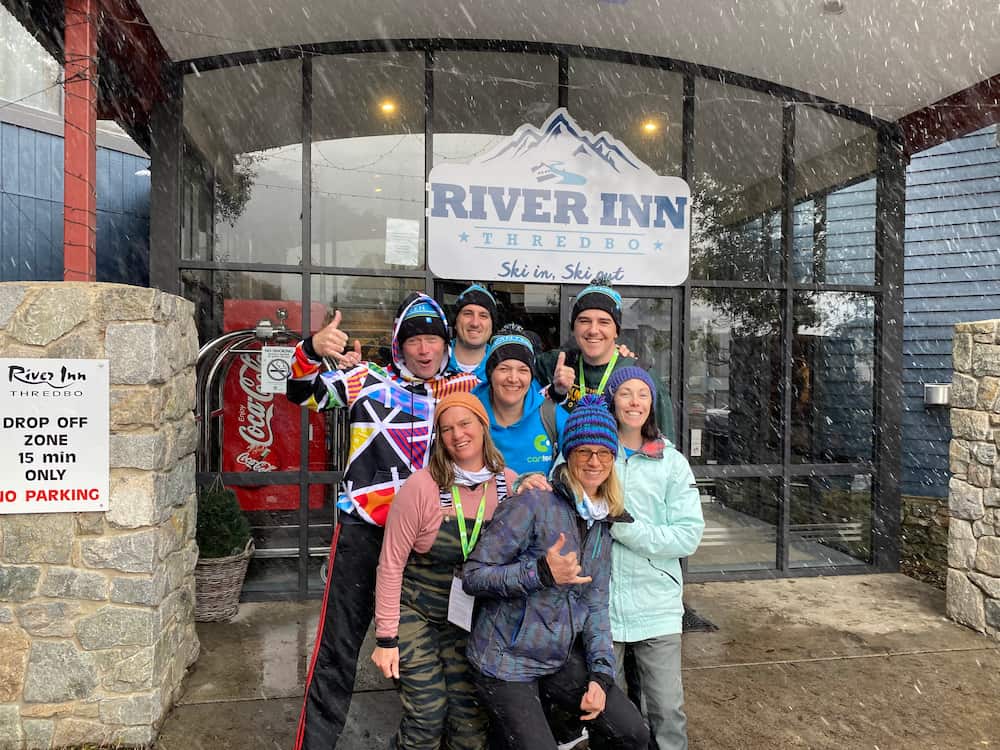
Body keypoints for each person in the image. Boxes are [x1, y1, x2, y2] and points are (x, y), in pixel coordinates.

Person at [286, 292, 481, 750]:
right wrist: (312, 350)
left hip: (428, 540)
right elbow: (299, 394)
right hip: (363, 532)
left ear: (446, 344)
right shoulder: (364, 379)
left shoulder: (464, 390)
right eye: (415, 341)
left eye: (434, 339)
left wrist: (567, 383)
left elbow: (522, 392)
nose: (425, 349)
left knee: (441, 649)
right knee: (338, 650)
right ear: (398, 344)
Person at [462, 395, 650, 750]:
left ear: (613, 459)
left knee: (632, 732)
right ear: (569, 455)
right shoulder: (534, 503)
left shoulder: (602, 520)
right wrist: (541, 573)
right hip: (504, 661)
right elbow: (474, 576)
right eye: (584, 452)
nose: (595, 462)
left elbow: (596, 605)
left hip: (556, 659)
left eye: (604, 453)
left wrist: (600, 675)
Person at [373, 392, 518, 750]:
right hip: (415, 615)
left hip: (469, 622)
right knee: (427, 713)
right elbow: (390, 564)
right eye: (447, 428)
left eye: (465, 423)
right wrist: (386, 639)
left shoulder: (508, 485)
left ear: (483, 426)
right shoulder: (421, 487)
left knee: (470, 724)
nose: (457, 435)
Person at [604, 367, 704, 750]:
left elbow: (687, 535)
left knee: (666, 710)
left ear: (652, 403)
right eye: (625, 393)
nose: (634, 402)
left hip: (657, 602)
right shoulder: (592, 452)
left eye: (642, 394)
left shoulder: (671, 462)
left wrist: (625, 529)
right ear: (612, 400)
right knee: (608, 712)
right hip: (603, 604)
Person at [534, 273, 674, 442]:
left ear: (616, 331)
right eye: (584, 321)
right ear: (574, 328)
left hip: (622, 467)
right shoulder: (553, 365)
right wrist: (554, 392)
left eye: (604, 322)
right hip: (565, 466)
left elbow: (665, 446)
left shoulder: (640, 374)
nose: (593, 330)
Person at [473, 323, 569, 476]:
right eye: (504, 369)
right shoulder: (469, 414)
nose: (513, 378)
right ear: (490, 374)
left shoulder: (550, 415)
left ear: (531, 376)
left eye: (523, 370)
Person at [448, 283, 499, 382]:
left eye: (483, 316)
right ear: (455, 322)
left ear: (492, 325)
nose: (475, 323)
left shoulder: (502, 365)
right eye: (468, 314)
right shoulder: (434, 361)